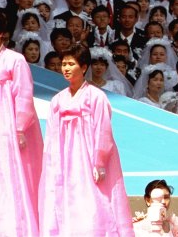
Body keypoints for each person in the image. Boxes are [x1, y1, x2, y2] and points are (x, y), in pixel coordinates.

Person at [38, 44, 134, 236]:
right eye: (63, 64)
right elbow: (51, 133)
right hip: (64, 156)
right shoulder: (57, 99)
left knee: (91, 197)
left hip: (87, 156)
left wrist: (99, 162)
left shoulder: (96, 97)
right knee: (64, 195)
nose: (65, 68)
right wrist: (50, 160)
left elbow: (103, 131)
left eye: (71, 64)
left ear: (83, 67)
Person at [0, 9, 44, 235]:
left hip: (8, 128)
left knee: (11, 175)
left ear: (1, 34)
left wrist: (19, 129)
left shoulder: (15, 60)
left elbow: (24, 96)